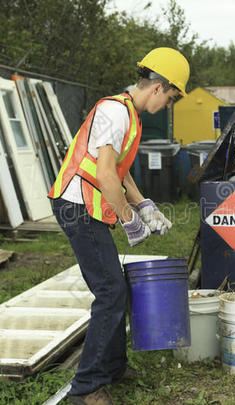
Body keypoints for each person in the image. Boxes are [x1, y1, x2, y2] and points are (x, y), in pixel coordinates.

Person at [48, 47, 190, 405]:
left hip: (88, 207)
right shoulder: (114, 112)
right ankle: (87, 388)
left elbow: (121, 173)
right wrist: (130, 221)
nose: (169, 105)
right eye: (171, 97)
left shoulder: (130, 114)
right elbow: (106, 174)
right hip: (77, 206)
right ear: (158, 87)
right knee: (111, 293)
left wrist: (144, 204)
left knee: (115, 289)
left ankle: (111, 366)